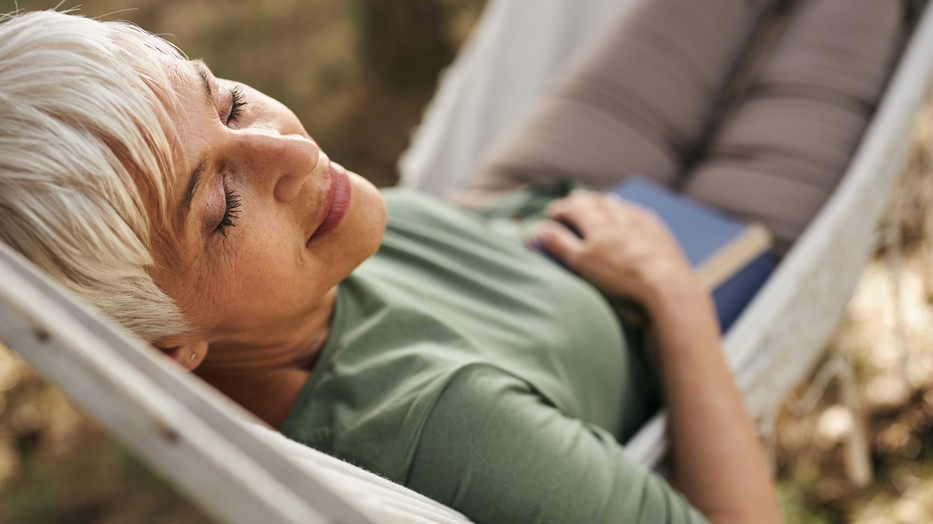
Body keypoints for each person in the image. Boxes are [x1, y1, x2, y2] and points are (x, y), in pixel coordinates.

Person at [2, 0, 899, 521]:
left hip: (512, 204)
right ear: (162, 349)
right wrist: (671, 294)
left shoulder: (285, 286)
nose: (293, 152)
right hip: (691, 251)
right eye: (220, 206)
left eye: (229, 102)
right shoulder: (442, 430)